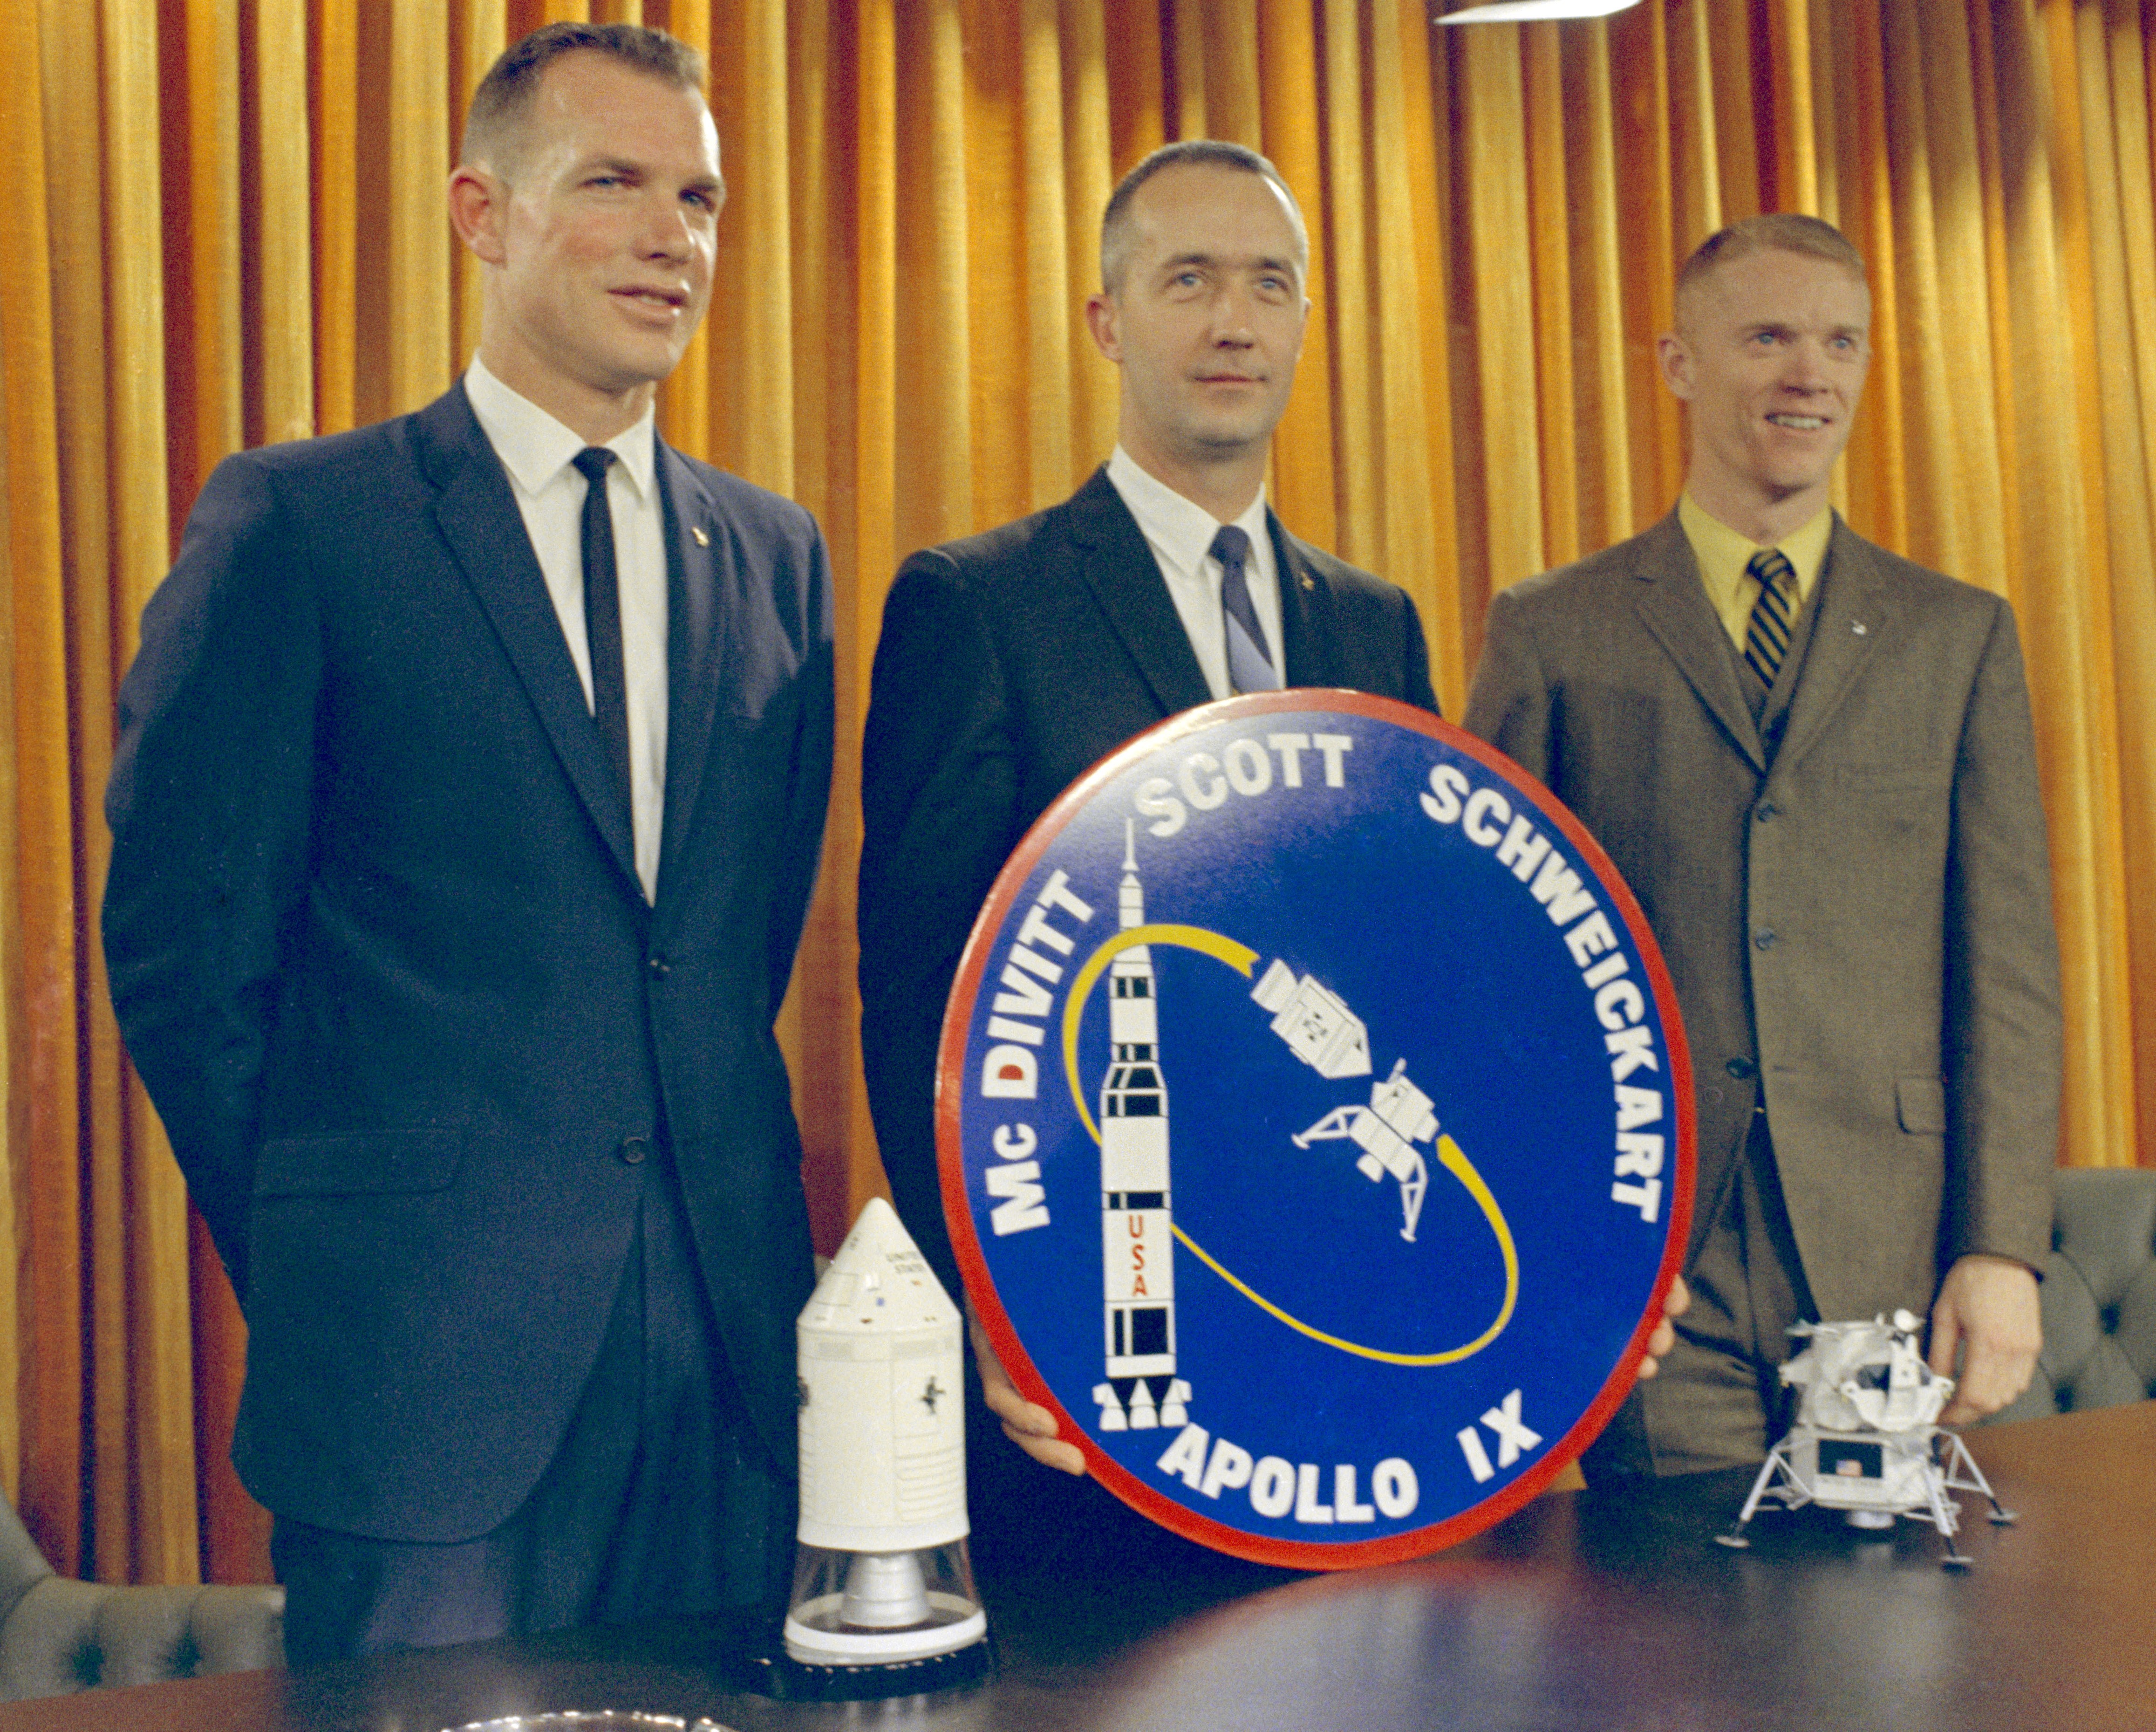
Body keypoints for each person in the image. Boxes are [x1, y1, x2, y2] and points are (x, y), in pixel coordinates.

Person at [102, 23, 832, 1660]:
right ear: (479, 214)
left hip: (729, 1382)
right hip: (417, 1387)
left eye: (701, 198)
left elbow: (727, 955)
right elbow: (180, 947)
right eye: (616, 185)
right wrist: (334, 1253)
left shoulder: (777, 557)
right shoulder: (302, 524)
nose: (674, 237)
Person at [859, 141, 1677, 1573]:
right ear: (1109, 321)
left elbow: (1426, 985)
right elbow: (921, 997)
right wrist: (995, 1311)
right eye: (1188, 280)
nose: (1232, 322)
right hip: (1111, 1357)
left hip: (1348, 1360)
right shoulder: (978, 605)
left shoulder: (1375, 627)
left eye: (1269, 285)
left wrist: (1580, 1260)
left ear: (1304, 323)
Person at [1463, 214, 2060, 1480]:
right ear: (1679, 364)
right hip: (1653, 1275)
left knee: (1887, 1654)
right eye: (1770, 336)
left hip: (1888, 1253)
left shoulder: (1955, 638)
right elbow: (1494, 975)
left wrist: (2000, 1247)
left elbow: (2005, 964)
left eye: (1839, 340)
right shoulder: (1551, 632)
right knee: (1677, 1655)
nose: (1811, 373)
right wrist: (1555, 1236)